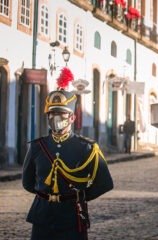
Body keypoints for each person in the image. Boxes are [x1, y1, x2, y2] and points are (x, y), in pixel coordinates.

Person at [22, 67, 114, 240]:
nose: (56, 118)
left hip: (72, 217)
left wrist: (78, 197)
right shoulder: (37, 147)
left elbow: (104, 183)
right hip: (42, 217)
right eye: (52, 114)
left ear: (72, 117)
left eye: (61, 114)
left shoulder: (86, 148)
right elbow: (28, 182)